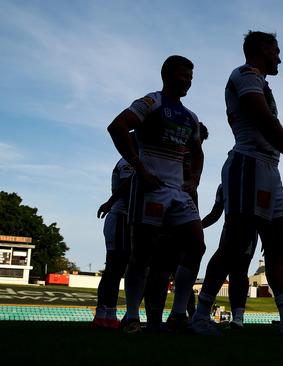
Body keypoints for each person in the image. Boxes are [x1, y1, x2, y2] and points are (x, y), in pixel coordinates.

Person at [191, 31, 283, 336]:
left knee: (277, 246)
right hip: (248, 163)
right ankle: (200, 315)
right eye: (276, 50)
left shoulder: (260, 81)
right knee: (234, 244)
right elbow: (263, 118)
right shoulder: (245, 74)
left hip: (268, 169)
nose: (280, 57)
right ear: (262, 49)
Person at [107, 55, 206, 333]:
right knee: (142, 254)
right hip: (150, 190)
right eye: (182, 75)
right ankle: (131, 316)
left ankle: (178, 314)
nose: (187, 81)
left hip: (178, 193)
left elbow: (198, 152)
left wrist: (195, 180)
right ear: (167, 75)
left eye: (191, 77)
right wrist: (139, 167)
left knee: (197, 245)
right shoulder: (151, 102)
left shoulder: (190, 116)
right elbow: (117, 127)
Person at [143, 122, 209, 331]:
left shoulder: (186, 154)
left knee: (186, 254)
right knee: (162, 263)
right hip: (167, 204)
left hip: (183, 208)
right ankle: (158, 320)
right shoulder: (175, 153)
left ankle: (178, 315)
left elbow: (191, 186)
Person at [200, 183, 260, 329]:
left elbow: (263, 212)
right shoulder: (223, 186)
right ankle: (206, 314)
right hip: (229, 232)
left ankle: (236, 317)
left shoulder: (255, 183)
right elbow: (216, 213)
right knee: (221, 269)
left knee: (236, 271)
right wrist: (197, 226)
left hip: (248, 232)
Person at [92, 156, 134, 329]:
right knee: (114, 268)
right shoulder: (128, 162)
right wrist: (110, 203)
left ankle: (107, 314)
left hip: (122, 218)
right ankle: (104, 314)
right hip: (121, 218)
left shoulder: (128, 161)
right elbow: (127, 186)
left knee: (115, 269)